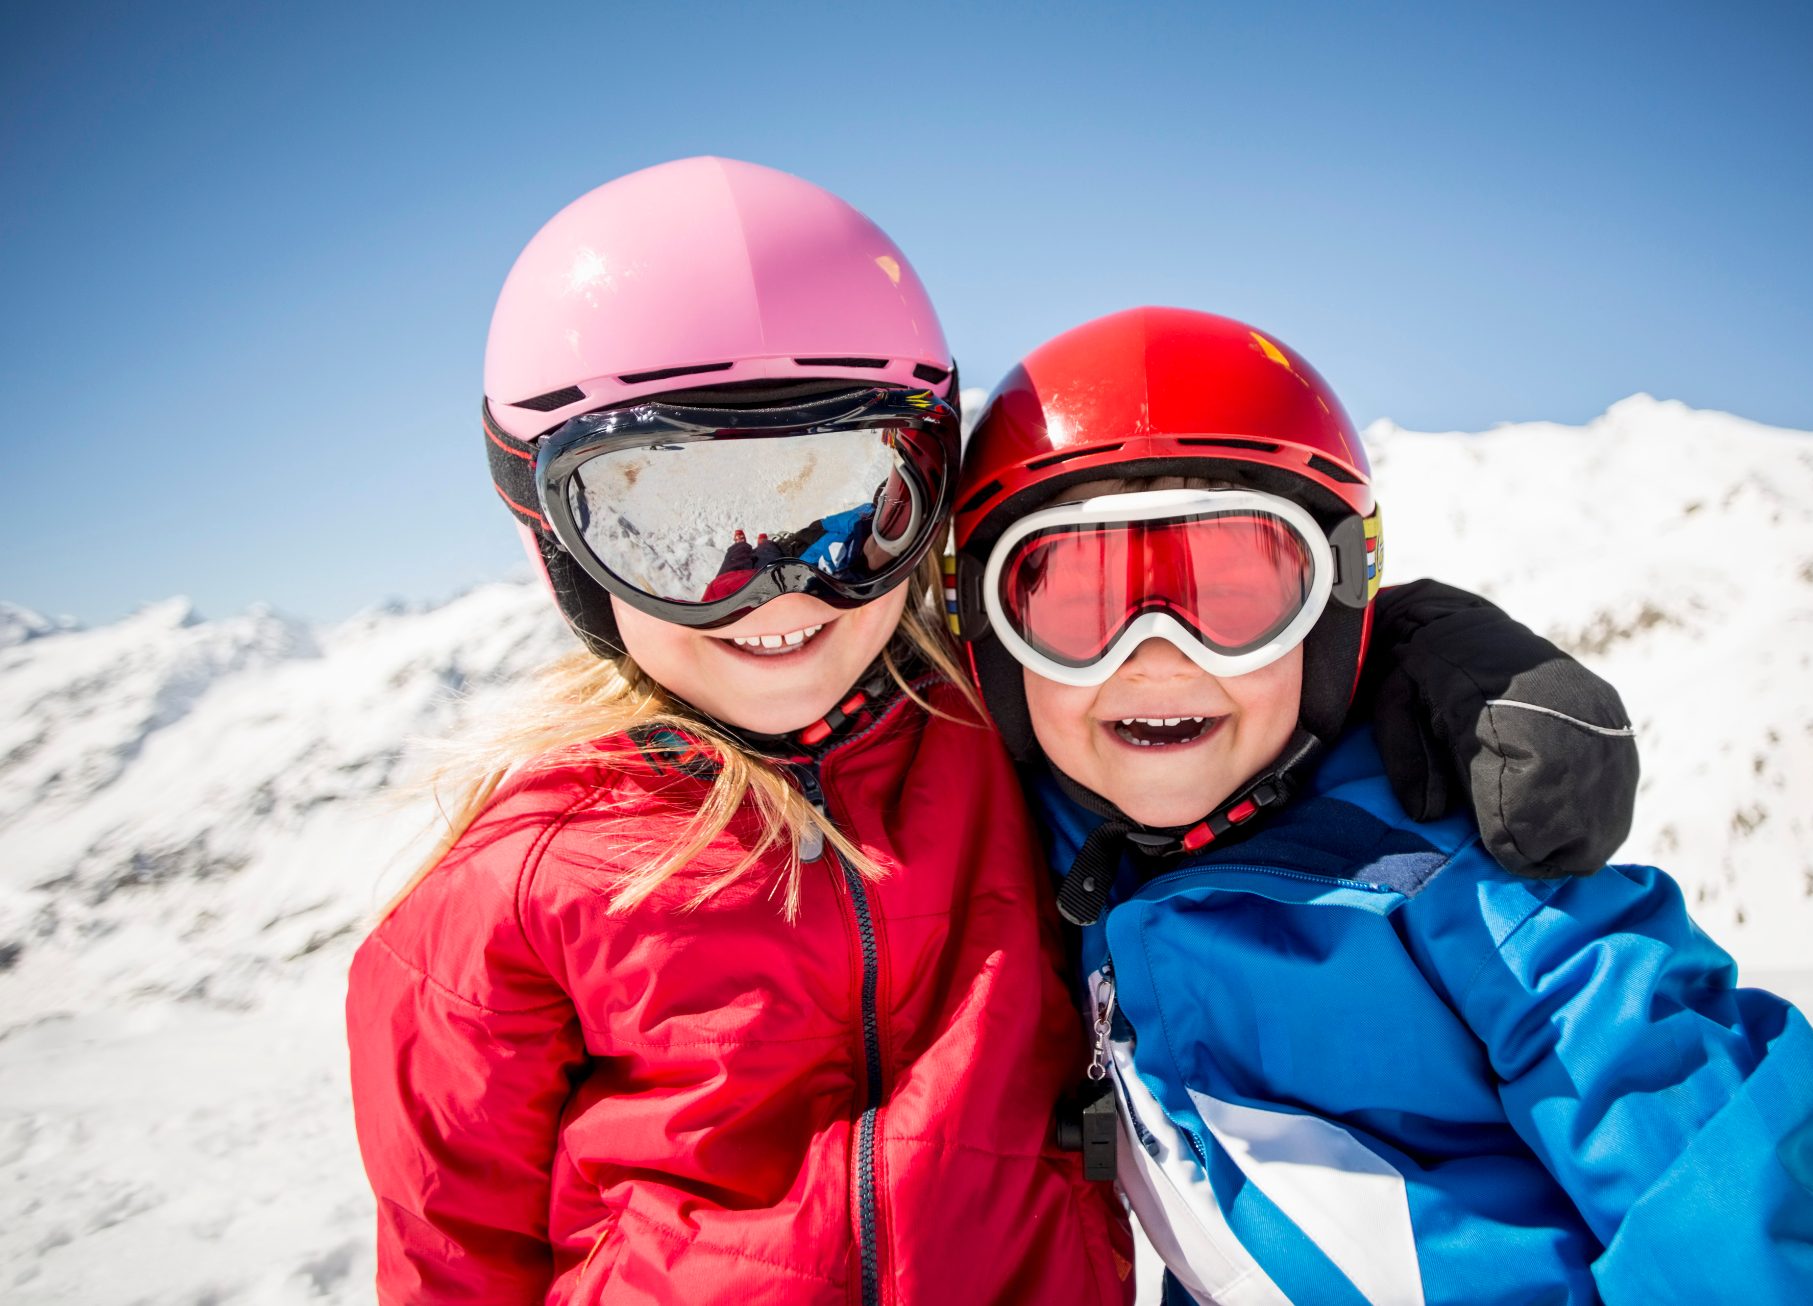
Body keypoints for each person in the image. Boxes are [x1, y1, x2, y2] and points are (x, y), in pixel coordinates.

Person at [346, 160, 1633, 1305]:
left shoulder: (1001, 730)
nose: (783, 589)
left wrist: (1423, 650)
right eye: (674, 529)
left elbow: (1200, 672)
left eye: (846, 504)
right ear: (553, 537)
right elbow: (453, 1258)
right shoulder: (514, 887)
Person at [947, 305, 1813, 1306]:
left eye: (1236, 595)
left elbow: (1690, 1156)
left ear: (1334, 608)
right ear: (992, 633)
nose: (1157, 653)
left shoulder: (1461, 880)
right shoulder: (1048, 852)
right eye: (1075, 603)